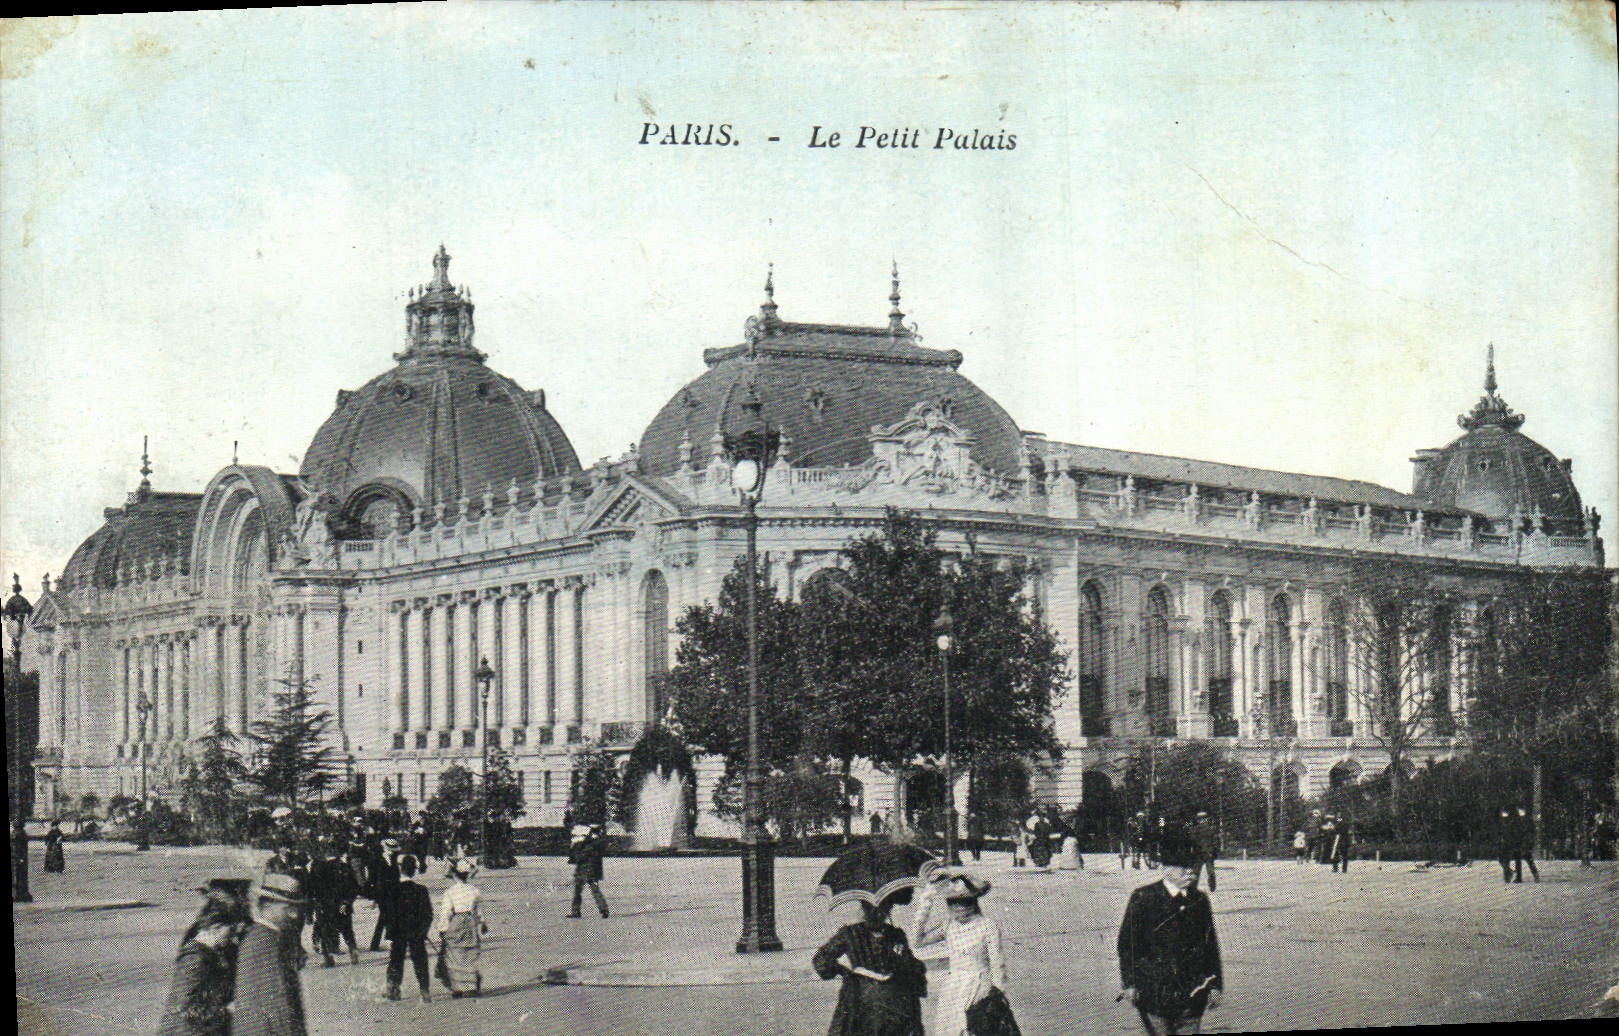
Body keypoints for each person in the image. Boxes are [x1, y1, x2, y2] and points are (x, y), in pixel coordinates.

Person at [1117, 829, 1223, 1036]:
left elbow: (1210, 945)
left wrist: (1215, 984)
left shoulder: (1199, 900)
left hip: (1192, 994)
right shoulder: (1144, 898)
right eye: (1183, 867)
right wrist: (1129, 983)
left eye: (1192, 867)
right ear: (1166, 869)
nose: (1190, 873)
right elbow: (1128, 944)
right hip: (1153, 992)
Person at [909, 872, 1011, 1036]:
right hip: (953, 986)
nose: (958, 907)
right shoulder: (949, 925)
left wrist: (997, 994)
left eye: (964, 902)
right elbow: (918, 941)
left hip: (979, 985)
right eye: (952, 902)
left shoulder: (987, 926)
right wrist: (926, 903)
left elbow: (998, 963)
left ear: (973, 903)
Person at [812, 891, 927, 1035]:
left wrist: (902, 957)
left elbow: (914, 968)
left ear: (888, 910)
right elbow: (821, 960)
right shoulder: (850, 934)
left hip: (895, 1006)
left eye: (882, 909)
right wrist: (845, 971)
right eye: (870, 909)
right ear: (863, 910)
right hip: (861, 1002)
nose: (876, 914)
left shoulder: (896, 934)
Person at [158, 879, 253, 1036]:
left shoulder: (213, 952)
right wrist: (228, 1011)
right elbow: (186, 1009)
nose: (233, 936)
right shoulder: (195, 959)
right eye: (231, 930)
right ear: (215, 927)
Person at [233, 873, 308, 1036]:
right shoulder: (265, 942)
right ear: (268, 905)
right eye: (288, 908)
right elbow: (276, 1003)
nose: (294, 915)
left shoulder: (262, 936)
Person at [385, 854, 433, 1002]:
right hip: (416, 931)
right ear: (414, 871)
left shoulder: (392, 890)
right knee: (420, 959)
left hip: (398, 932)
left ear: (400, 869)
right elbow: (428, 915)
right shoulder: (421, 890)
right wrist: (423, 931)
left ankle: (394, 989)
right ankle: (424, 990)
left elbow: (389, 915)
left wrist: (389, 934)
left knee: (396, 960)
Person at [435, 857, 483, 997]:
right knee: (470, 953)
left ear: (454, 874)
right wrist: (482, 923)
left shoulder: (450, 892)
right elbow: (479, 910)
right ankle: (472, 985)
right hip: (470, 921)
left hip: (456, 921)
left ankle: (457, 987)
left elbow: (446, 912)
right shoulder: (474, 891)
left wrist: (442, 928)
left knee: (454, 954)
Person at [309, 841, 362, 967]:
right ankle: (353, 950)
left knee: (325, 932)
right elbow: (354, 886)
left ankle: (329, 958)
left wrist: (316, 902)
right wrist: (347, 901)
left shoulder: (318, 867)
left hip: (326, 905)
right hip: (342, 904)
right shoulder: (344, 867)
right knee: (347, 930)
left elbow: (313, 888)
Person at [567, 823, 611, 919]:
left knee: (578, 891)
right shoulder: (597, 842)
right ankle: (604, 909)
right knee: (595, 890)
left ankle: (576, 911)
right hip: (593, 870)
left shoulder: (590, 843)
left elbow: (581, 855)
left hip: (584, 869)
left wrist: (575, 854)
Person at [368, 836, 403, 951]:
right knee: (386, 916)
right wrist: (373, 895)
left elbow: (396, 876)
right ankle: (387, 940)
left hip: (393, 892)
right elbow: (372, 878)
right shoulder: (376, 860)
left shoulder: (394, 860)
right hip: (382, 893)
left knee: (386, 917)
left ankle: (379, 942)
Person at [1190, 813, 1216, 892]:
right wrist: (1214, 851)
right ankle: (1212, 885)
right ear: (1206, 819)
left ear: (1199, 820)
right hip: (1209, 851)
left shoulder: (1195, 829)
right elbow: (1214, 841)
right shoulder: (1211, 828)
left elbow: (1192, 840)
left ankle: (1193, 886)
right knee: (1210, 869)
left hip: (1199, 852)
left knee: (1196, 871)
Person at [1512, 807, 1539, 883]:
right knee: (1523, 859)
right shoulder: (1520, 821)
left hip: (1524, 843)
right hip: (1520, 843)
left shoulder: (1526, 821)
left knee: (1527, 859)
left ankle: (1534, 875)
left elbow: (1529, 833)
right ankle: (1520, 877)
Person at [12, 816, 31, 903]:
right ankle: (21, 894)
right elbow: (24, 848)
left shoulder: (14, 833)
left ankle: (17, 894)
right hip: (20, 858)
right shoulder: (22, 834)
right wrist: (22, 857)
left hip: (15, 857)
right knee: (21, 876)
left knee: (16, 876)